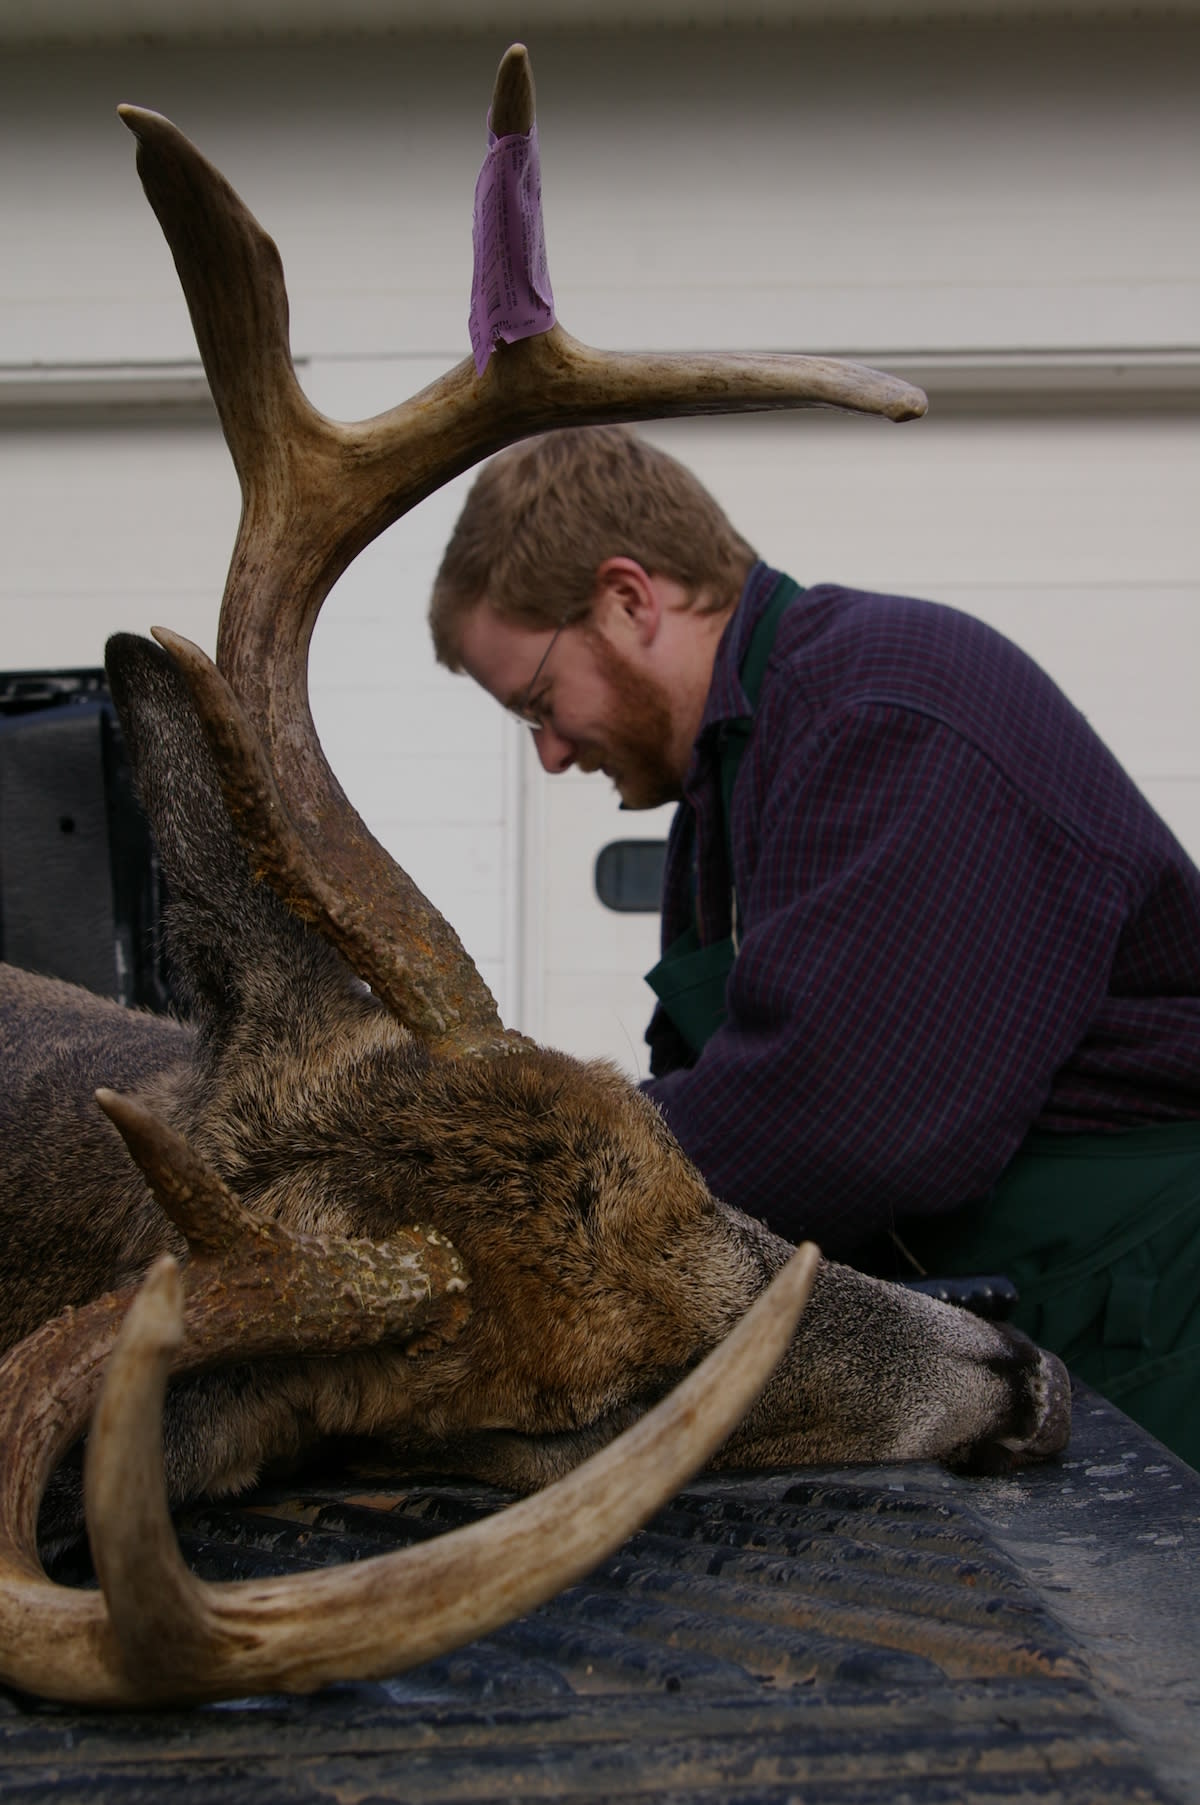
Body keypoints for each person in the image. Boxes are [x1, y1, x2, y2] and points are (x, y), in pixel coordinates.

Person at [429, 423, 1200, 1466]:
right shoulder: (740, 771)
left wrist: (536, 1192)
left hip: (1138, 1303)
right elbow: (713, 1085)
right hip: (1033, 1297)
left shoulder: (882, 714)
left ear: (627, 598)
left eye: (537, 701)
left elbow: (844, 1121)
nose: (553, 751)